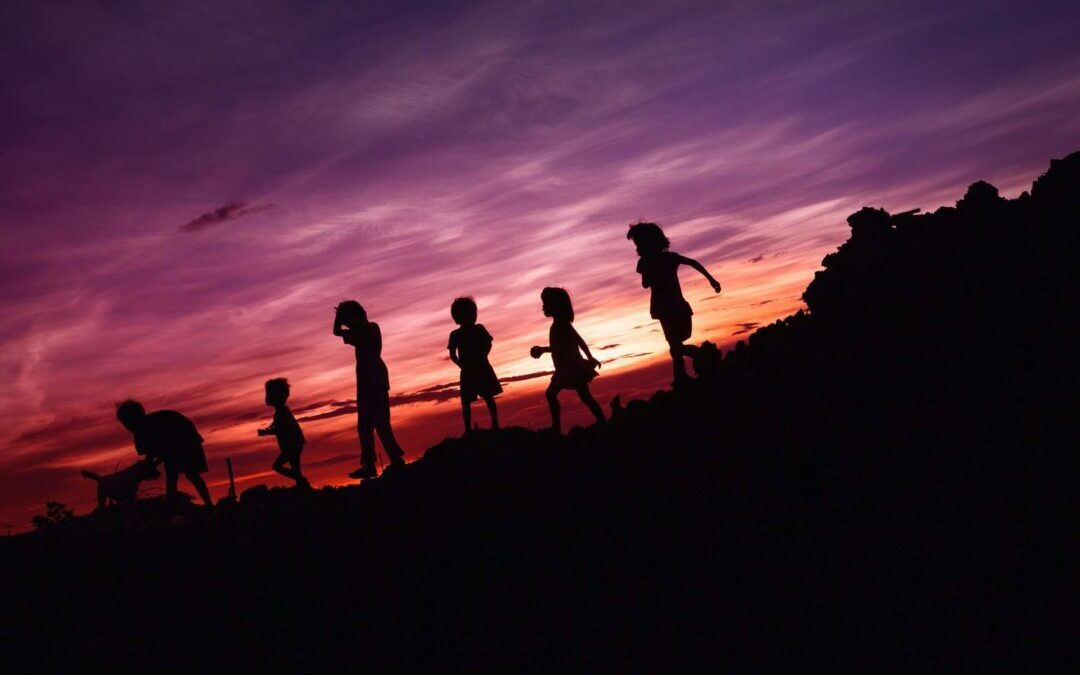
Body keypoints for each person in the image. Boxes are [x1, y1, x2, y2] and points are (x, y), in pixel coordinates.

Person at [627, 221, 722, 386]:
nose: (637, 249)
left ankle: (697, 359)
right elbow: (646, 283)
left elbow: (693, 263)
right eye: (636, 245)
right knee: (675, 346)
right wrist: (711, 280)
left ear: (650, 243)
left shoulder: (668, 258)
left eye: (639, 244)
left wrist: (712, 279)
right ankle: (682, 377)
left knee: (676, 346)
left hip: (672, 306)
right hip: (666, 308)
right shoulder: (648, 262)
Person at [333, 300, 406, 479]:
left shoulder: (372, 328)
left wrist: (346, 316)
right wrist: (339, 316)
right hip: (365, 383)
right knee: (364, 426)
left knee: (381, 422)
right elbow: (336, 332)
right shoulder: (356, 334)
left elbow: (360, 327)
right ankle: (369, 465)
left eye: (349, 320)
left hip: (376, 380)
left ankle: (396, 459)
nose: (347, 324)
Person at [530, 287, 605, 434]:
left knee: (551, 394)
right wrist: (589, 357)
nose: (543, 306)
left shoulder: (560, 324)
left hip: (569, 368)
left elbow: (568, 345)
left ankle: (556, 427)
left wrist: (542, 350)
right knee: (585, 397)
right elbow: (574, 342)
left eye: (546, 303)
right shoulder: (561, 323)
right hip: (571, 367)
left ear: (556, 305)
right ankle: (602, 421)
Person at [115, 399, 214, 507]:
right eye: (125, 424)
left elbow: (160, 449)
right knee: (175, 474)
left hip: (184, 438)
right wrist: (150, 465)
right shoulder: (141, 431)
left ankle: (207, 505)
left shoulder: (151, 425)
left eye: (128, 423)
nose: (127, 427)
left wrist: (151, 465)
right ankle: (174, 505)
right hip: (174, 442)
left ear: (135, 418)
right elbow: (152, 451)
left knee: (188, 474)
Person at [448, 297, 502, 434]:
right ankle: (468, 430)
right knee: (466, 402)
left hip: (481, 367)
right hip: (469, 370)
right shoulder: (455, 335)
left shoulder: (479, 329)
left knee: (488, 396)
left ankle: (495, 423)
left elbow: (488, 343)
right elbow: (453, 355)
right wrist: (462, 366)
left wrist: (483, 356)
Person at [257, 378, 310, 488]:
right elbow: (278, 427)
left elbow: (279, 429)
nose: (266, 397)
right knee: (295, 469)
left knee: (277, 466)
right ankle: (302, 484)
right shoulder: (282, 411)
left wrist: (265, 433)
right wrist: (266, 431)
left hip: (292, 445)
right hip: (294, 444)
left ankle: (301, 480)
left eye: (268, 394)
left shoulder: (281, 412)